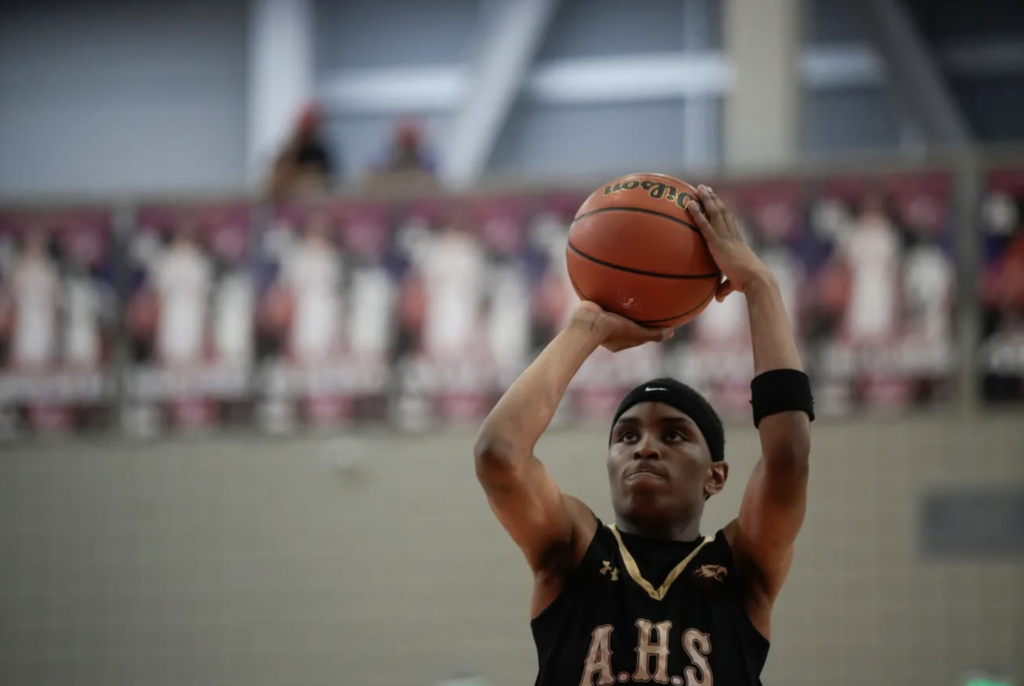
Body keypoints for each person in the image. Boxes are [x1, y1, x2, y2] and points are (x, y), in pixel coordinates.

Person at [473, 186, 814, 685]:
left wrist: (760, 284)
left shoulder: (741, 568)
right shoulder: (573, 550)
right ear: (609, 462)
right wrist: (585, 326)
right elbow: (498, 455)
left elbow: (788, 458)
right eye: (626, 437)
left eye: (674, 436)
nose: (646, 446)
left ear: (716, 475)